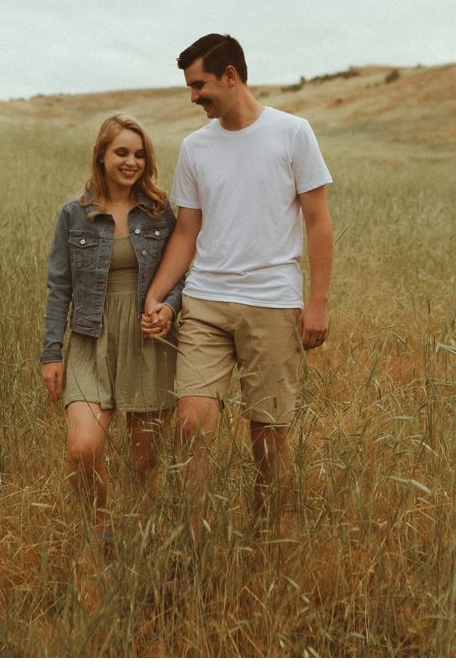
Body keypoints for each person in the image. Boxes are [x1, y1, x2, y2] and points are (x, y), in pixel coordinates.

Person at [139, 33, 335, 541]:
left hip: (272, 304)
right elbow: (188, 229)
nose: (193, 97)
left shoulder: (293, 134)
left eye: (199, 85)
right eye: (189, 87)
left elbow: (317, 222)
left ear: (230, 75)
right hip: (205, 302)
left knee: (268, 436)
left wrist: (317, 302)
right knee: (191, 425)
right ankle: (193, 541)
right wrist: (158, 295)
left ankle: (271, 535)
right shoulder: (195, 146)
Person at [40, 113, 183, 550]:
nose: (131, 162)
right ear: (101, 155)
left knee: (145, 462)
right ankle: (98, 533)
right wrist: (51, 352)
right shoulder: (74, 214)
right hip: (89, 338)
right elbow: (58, 285)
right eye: (121, 152)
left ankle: (142, 539)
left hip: (147, 341)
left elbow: (180, 274)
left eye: (140, 154)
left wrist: (170, 309)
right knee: (83, 449)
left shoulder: (159, 213)